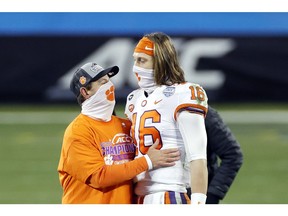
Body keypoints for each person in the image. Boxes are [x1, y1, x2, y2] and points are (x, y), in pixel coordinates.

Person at [57, 62, 180, 204]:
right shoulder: (78, 132)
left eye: (109, 81)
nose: (109, 86)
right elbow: (99, 177)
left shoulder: (126, 125)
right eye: (102, 82)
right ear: (85, 92)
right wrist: (147, 161)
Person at [124, 32, 209, 204]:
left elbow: (198, 155)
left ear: (160, 61)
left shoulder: (183, 93)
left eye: (142, 60)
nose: (135, 67)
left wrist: (199, 202)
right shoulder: (134, 99)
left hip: (168, 194)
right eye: (135, 59)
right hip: (137, 196)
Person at [187, 105, 244, 204]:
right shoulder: (155, 109)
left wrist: (213, 194)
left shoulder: (205, 114)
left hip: (196, 193)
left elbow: (232, 154)